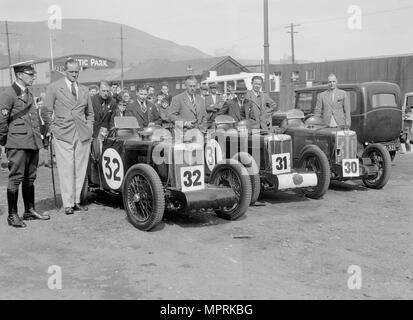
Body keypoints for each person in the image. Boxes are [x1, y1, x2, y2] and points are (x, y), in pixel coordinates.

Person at [0, 61, 50, 227]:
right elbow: (2, 121)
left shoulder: (28, 93)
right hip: (17, 143)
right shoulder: (8, 94)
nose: (33, 77)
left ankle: (29, 210)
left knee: (30, 178)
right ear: (19, 75)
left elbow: (33, 119)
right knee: (15, 178)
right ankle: (12, 215)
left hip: (32, 142)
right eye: (30, 74)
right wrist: (5, 142)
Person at [44, 58, 94, 215]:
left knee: (80, 169)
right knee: (66, 169)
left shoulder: (84, 90)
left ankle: (77, 201)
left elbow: (90, 113)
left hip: (82, 134)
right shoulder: (54, 87)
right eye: (71, 72)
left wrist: (89, 128)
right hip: (63, 134)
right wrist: (53, 129)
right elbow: (46, 111)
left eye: (76, 72)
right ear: (65, 71)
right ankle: (67, 203)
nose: (74, 75)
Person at [91, 80, 117, 158]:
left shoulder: (112, 101)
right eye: (103, 91)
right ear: (98, 90)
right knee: (94, 157)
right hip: (93, 134)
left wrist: (111, 131)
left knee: (104, 157)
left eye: (107, 91)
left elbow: (113, 119)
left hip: (106, 135)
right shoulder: (91, 100)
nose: (105, 93)